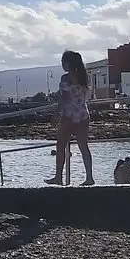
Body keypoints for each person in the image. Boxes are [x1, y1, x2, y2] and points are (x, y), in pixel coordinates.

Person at [45, 50, 95, 186]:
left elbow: (64, 99)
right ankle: (89, 177)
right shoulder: (85, 76)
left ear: (68, 63)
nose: (62, 64)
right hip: (83, 114)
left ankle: (58, 177)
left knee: (60, 146)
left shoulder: (66, 78)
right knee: (83, 146)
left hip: (69, 115)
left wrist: (56, 113)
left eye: (63, 62)